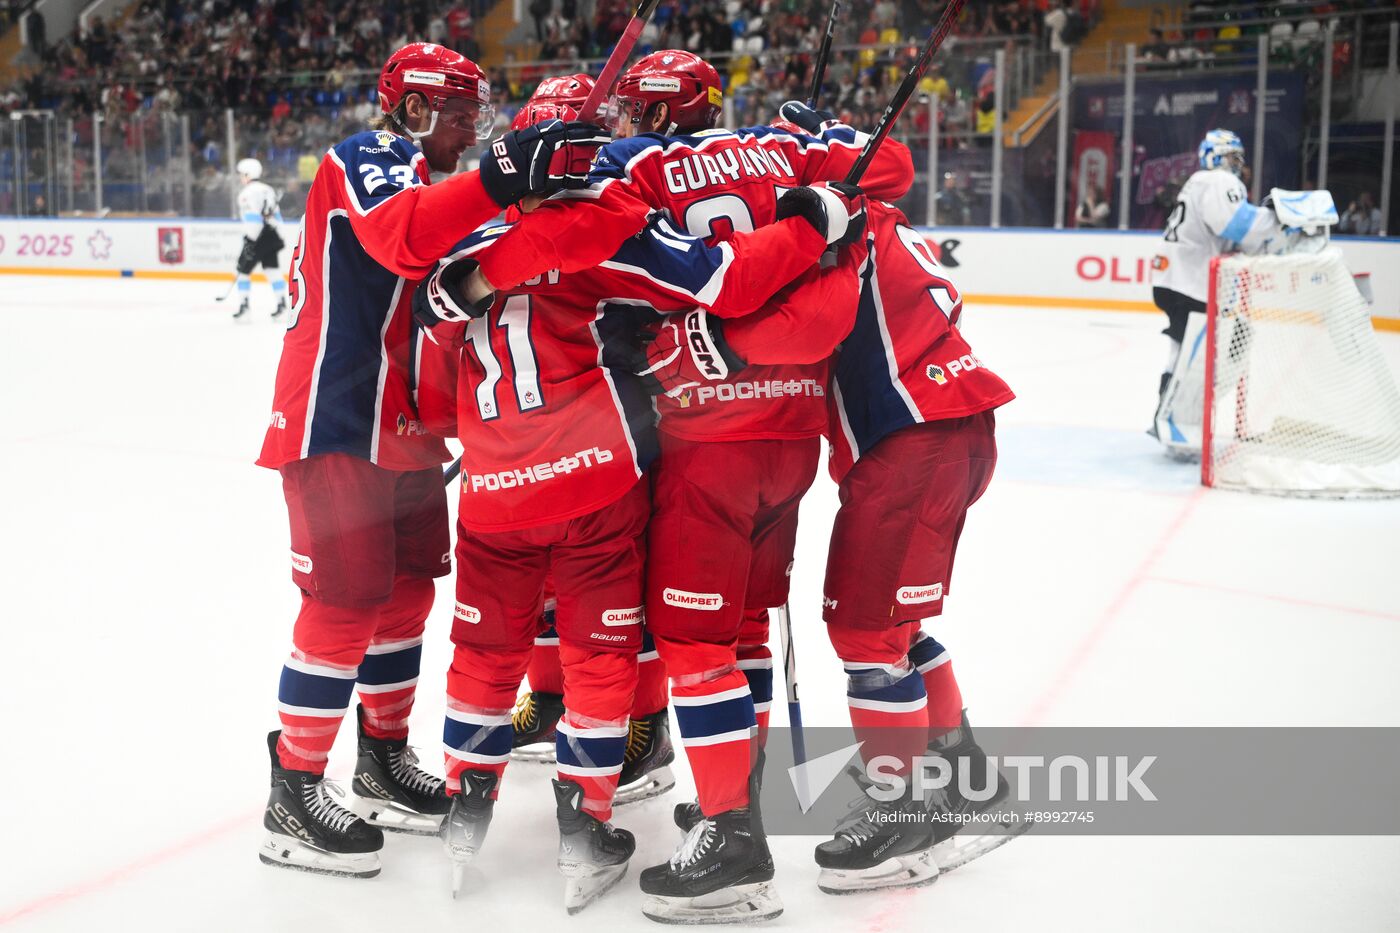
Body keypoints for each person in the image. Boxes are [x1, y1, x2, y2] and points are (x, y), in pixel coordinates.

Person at [457, 49, 908, 924]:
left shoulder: (640, 165)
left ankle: (731, 834)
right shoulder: (781, 152)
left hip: (706, 434)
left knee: (688, 633)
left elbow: (562, 207)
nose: (622, 123)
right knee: (743, 628)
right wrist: (817, 140)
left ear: (652, 113)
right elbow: (889, 171)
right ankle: (726, 793)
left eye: (633, 110)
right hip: (792, 431)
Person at [254, 41, 607, 880]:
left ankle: (379, 758)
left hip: (404, 429)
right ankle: (294, 790)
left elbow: (488, 257)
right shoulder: (368, 157)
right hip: (338, 419)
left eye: (477, 116)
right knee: (342, 603)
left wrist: (546, 193)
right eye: (457, 115)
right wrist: (501, 179)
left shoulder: (434, 183)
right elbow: (408, 240)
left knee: (407, 592)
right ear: (411, 109)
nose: (471, 130)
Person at [1149, 128, 1283, 439]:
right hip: (1190, 282)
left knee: (1182, 349)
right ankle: (1175, 421)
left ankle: (1168, 418)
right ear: (1214, 156)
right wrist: (1276, 218)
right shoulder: (1219, 181)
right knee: (1203, 352)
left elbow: (1229, 234)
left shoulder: (1200, 182)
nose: (1237, 164)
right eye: (1231, 156)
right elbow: (1236, 225)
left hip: (1175, 279)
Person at [231, 157, 287, 320]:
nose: (241, 177)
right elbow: (276, 215)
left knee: (242, 271)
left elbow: (253, 220)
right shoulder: (268, 189)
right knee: (272, 269)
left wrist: (250, 240)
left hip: (258, 237)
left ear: (248, 174)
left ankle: (244, 306)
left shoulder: (246, 193)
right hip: (273, 235)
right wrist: (279, 234)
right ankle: (282, 304)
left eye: (242, 174)